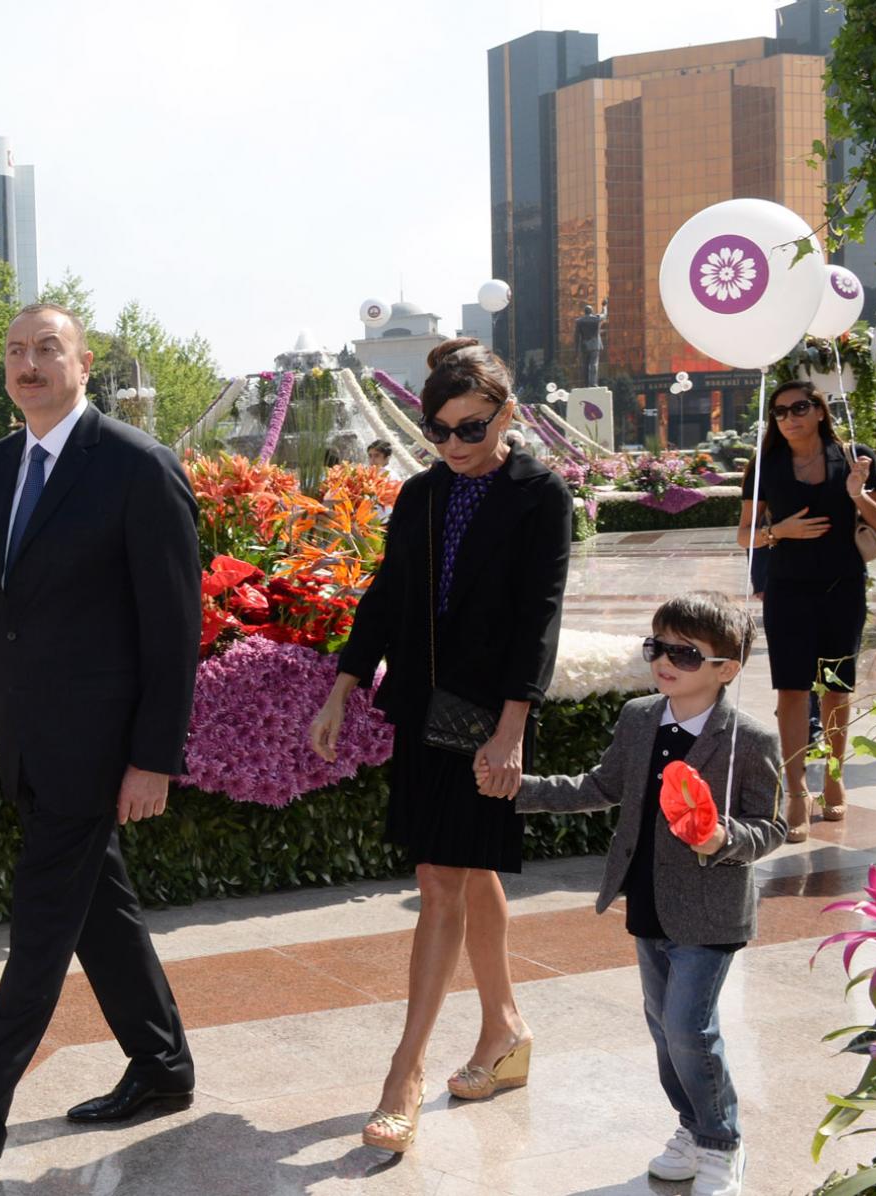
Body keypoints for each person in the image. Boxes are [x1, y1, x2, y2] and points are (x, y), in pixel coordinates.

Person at [0, 304, 202, 1181]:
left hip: (101, 747)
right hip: (27, 742)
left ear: (83, 362)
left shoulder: (139, 469)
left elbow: (172, 629)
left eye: (47, 349)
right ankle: (163, 1066)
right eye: (16, 351)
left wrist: (154, 758)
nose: (28, 365)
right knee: (97, 911)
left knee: (37, 936)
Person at [308, 337, 573, 1153]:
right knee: (465, 866)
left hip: (489, 716)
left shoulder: (540, 494)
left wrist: (511, 732)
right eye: (440, 431)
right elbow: (387, 595)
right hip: (424, 709)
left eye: (471, 428)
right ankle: (503, 1029)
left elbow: (540, 617)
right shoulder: (421, 494)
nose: (455, 445)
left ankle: (403, 1074)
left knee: (440, 880)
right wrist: (345, 686)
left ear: (506, 414)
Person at [504, 592, 784, 1196]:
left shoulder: (749, 739)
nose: (665, 661)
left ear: (726, 669)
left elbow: (772, 826)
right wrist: (516, 789)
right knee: (663, 1026)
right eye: (658, 646)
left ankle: (721, 1141)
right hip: (648, 897)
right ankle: (691, 1125)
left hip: (711, 909)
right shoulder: (639, 718)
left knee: (690, 1027)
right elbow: (601, 785)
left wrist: (721, 836)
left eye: (685, 653)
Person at [735, 380, 876, 838]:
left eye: (799, 407)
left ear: (819, 411)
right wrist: (778, 531)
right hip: (787, 591)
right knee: (792, 691)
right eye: (779, 412)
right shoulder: (765, 464)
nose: (789, 418)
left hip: (843, 589)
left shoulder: (853, 455)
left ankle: (836, 777)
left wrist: (858, 494)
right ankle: (797, 790)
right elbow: (745, 535)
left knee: (837, 690)